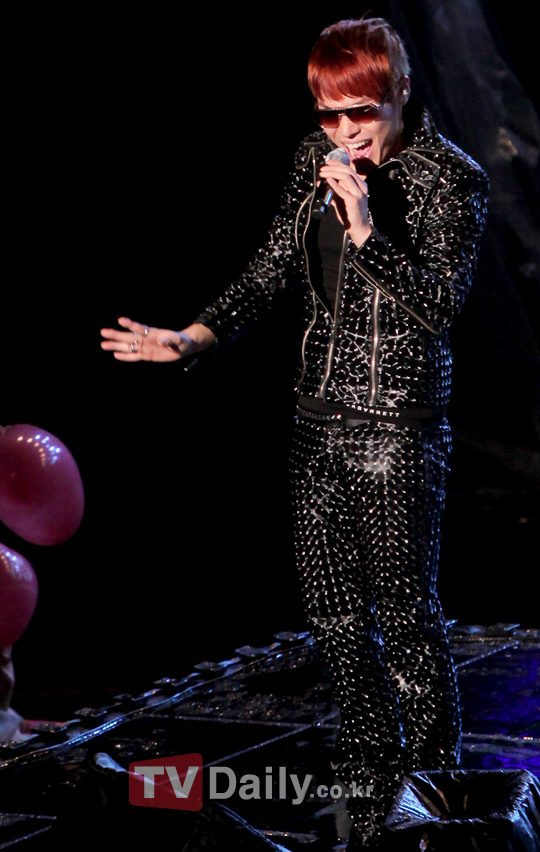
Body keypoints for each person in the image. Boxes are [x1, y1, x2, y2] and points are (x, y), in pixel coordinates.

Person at [101, 17, 489, 849]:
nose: (346, 131)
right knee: (337, 618)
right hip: (316, 421)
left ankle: (432, 790)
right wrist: (195, 337)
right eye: (329, 114)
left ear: (401, 93)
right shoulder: (312, 163)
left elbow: (440, 307)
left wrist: (365, 229)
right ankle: (368, 779)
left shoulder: (452, 180)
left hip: (396, 428)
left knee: (407, 621)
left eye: (362, 112)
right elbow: (273, 265)